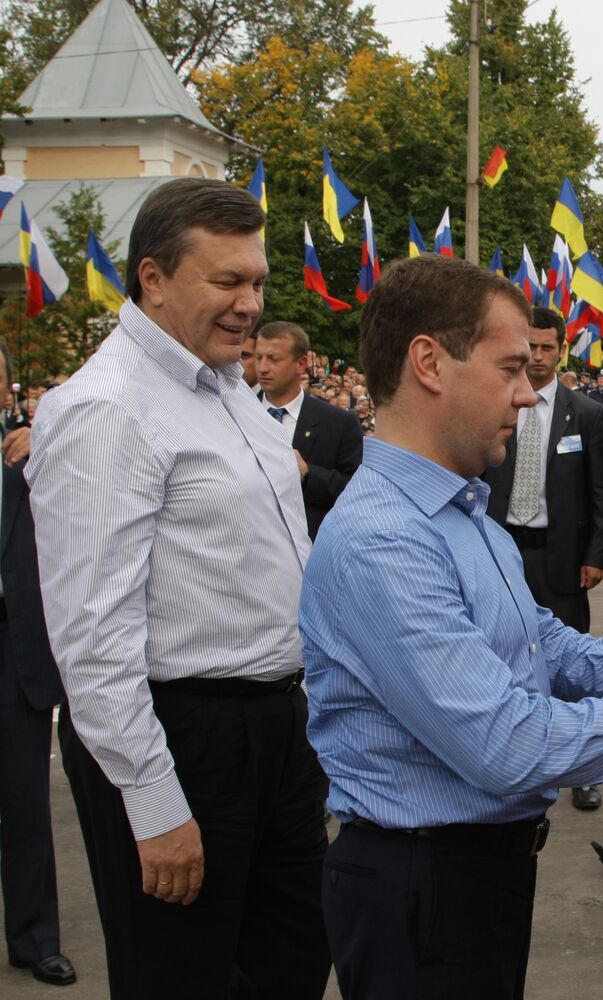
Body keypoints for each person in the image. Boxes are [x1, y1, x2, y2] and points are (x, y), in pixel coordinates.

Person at [299, 255, 603, 999]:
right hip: (424, 883)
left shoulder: (458, 506)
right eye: (511, 369)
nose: (529, 396)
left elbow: (542, 642)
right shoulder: (386, 539)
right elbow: (508, 747)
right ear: (429, 363)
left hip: (470, 874)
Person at [25, 177, 331, 1000]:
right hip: (180, 736)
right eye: (226, 281)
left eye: (258, 282)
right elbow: (92, 637)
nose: (249, 304)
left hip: (277, 728)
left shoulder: (229, 386)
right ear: (153, 278)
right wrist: (153, 800)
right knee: (181, 977)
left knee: (293, 965)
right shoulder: (104, 409)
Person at [484, 306, 603, 810]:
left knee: (573, 660)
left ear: (561, 350)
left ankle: (583, 768)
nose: (537, 357)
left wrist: (597, 553)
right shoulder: (496, 401)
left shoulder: (585, 412)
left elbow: (601, 490)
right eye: (529, 346)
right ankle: (513, 757)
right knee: (502, 652)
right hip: (502, 548)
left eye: (546, 348)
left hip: (562, 555)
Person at [0, 344, 76, 988]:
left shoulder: (31, 454)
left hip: (15, 654)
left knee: (24, 806)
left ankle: (34, 939)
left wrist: (43, 440)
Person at [254, 320, 363, 541]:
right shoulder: (235, 413)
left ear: (301, 364)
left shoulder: (338, 423)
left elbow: (356, 493)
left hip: (311, 553)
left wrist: (307, 474)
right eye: (258, 358)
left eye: (274, 359)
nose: (263, 367)